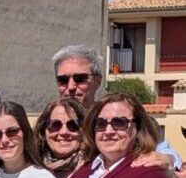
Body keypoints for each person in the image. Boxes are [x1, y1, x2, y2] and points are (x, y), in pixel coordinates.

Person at [52, 44, 180, 169]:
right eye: (63, 80)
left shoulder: (127, 121)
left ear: (98, 81)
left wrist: (168, 159)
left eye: (80, 79)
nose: (71, 87)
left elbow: (166, 153)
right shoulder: (49, 125)